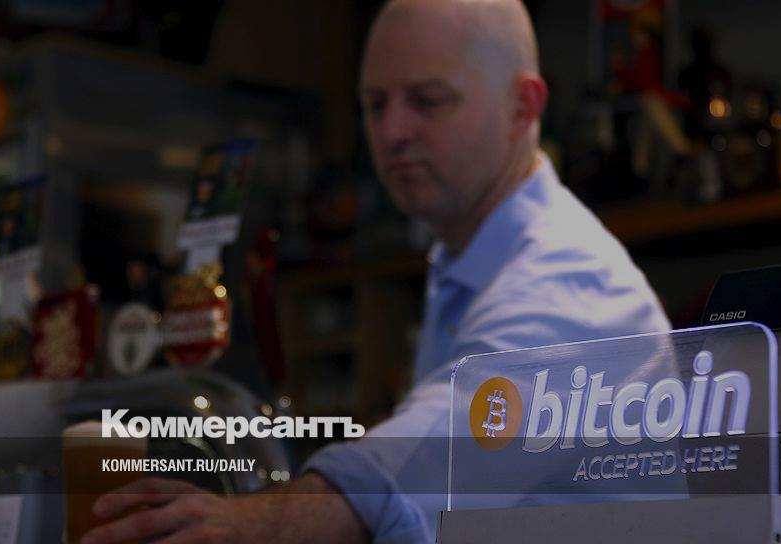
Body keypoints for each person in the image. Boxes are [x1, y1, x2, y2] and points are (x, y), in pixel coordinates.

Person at [79, 1, 670, 543]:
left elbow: (424, 463)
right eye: (376, 104)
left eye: (428, 100)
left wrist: (253, 523)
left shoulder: (570, 281)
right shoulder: (466, 261)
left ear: (523, 107)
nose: (390, 133)